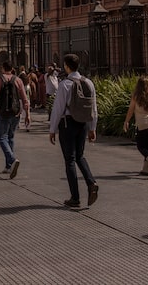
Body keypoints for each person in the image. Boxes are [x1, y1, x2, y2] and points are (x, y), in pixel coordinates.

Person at [48, 53, 99, 208]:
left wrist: (52, 129)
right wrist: (92, 128)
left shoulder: (65, 84)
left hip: (67, 123)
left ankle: (75, 197)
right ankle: (91, 182)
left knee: (69, 159)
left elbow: (58, 109)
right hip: (83, 123)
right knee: (80, 156)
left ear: (67, 66)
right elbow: (93, 107)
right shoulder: (88, 83)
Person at [0, 61, 30, 178]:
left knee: (1, 137)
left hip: (3, 113)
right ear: (12, 68)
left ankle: (12, 159)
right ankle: (8, 166)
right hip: (15, 113)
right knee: (11, 137)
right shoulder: (18, 80)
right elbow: (25, 98)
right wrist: (27, 114)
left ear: (3, 68)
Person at [123, 76, 148, 176]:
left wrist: (126, 121)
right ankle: (145, 169)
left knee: (140, 146)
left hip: (142, 125)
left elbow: (131, 110)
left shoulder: (136, 96)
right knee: (147, 145)